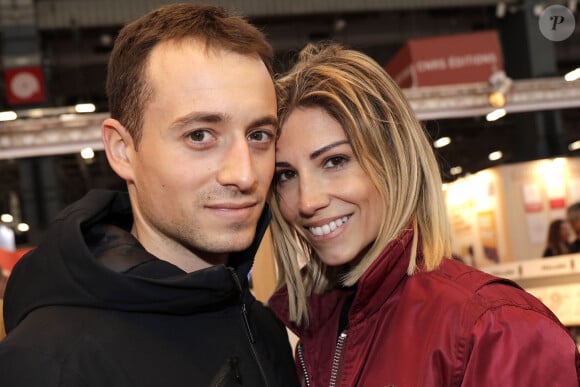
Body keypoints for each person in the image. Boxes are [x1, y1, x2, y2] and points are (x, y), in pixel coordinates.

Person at [0, 4, 300, 386]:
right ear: (123, 151)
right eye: (200, 136)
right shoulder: (47, 364)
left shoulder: (264, 328)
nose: (244, 174)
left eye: (259, 135)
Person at [267, 42, 580, 386]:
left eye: (335, 161)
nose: (307, 201)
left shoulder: (495, 327)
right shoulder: (320, 327)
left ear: (393, 162)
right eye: (286, 175)